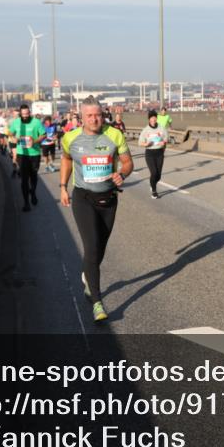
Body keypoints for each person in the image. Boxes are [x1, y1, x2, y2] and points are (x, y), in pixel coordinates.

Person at [59, 98, 133, 323]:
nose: (94, 119)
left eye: (98, 115)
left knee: (100, 247)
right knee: (91, 246)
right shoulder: (70, 138)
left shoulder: (114, 135)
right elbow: (66, 160)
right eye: (89, 115)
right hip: (83, 198)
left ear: (103, 115)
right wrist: (63, 187)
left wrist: (122, 173)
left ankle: (88, 276)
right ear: (81, 117)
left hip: (108, 199)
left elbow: (128, 162)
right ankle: (97, 302)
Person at [8, 104, 46, 212]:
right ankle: (26, 203)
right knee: (24, 178)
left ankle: (32, 192)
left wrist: (35, 141)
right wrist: (14, 138)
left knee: (33, 175)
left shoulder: (36, 122)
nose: (25, 116)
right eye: (23, 114)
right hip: (22, 154)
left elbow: (44, 135)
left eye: (27, 114)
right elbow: (10, 132)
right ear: (20, 114)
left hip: (35, 154)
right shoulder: (16, 122)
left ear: (30, 113)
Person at [138, 110, 168, 199]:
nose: (153, 120)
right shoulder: (145, 130)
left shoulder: (161, 128)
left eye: (155, 118)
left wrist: (163, 142)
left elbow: (166, 139)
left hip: (159, 153)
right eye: (151, 118)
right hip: (150, 153)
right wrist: (146, 144)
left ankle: (152, 183)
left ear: (156, 118)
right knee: (154, 172)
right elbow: (140, 143)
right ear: (149, 119)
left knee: (158, 176)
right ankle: (154, 191)